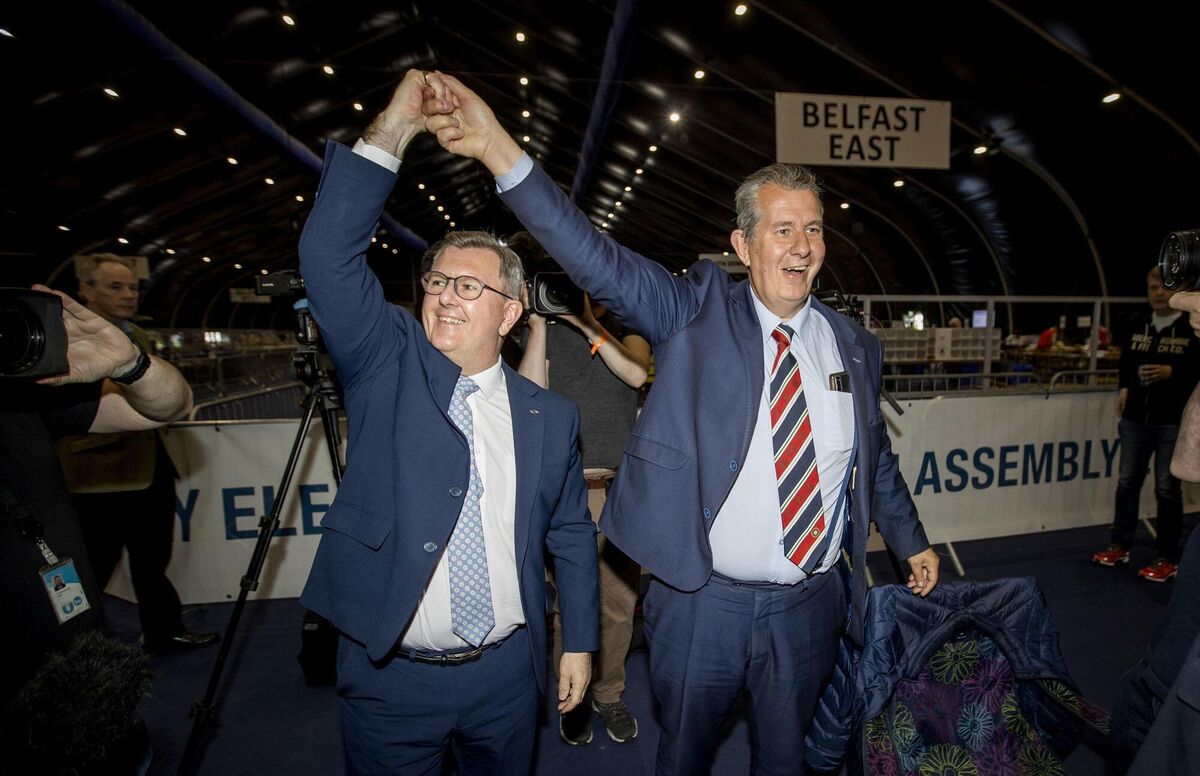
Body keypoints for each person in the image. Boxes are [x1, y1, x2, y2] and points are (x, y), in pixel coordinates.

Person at [422, 71, 940, 774]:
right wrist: (496, 150)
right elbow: (594, 257)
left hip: (810, 606)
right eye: (783, 229)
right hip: (703, 605)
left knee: (786, 761)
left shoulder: (853, 344)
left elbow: (872, 456)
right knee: (685, 756)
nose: (802, 245)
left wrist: (911, 539)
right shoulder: (694, 310)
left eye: (814, 229)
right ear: (744, 244)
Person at [296, 69, 599, 775]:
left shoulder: (549, 416)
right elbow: (327, 259)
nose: (444, 297)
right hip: (391, 678)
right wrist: (395, 127)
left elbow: (570, 535)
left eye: (468, 286)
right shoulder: (386, 364)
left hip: (507, 678)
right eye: (436, 282)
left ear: (510, 312)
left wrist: (580, 641)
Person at [2, 284, 193, 705]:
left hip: (65, 664)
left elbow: (172, 405)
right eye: (115, 286)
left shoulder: (25, 376)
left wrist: (131, 365)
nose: (129, 294)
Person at [514, 232, 651, 745]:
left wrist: (584, 321)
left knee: (618, 607)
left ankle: (609, 694)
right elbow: (529, 395)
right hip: (564, 496)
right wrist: (539, 324)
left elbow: (634, 374)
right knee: (568, 605)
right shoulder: (540, 337)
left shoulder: (629, 334)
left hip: (617, 495)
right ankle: (570, 695)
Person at [55, 254, 218, 652]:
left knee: (152, 561)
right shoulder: (66, 342)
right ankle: (79, 649)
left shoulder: (136, 335)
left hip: (149, 471)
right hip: (97, 482)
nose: (129, 295)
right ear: (86, 290)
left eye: (132, 287)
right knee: (91, 569)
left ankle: (163, 631)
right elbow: (67, 417)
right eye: (116, 287)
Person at [1093, 267, 1200, 581]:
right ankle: (1119, 543)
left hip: (1172, 423)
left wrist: (1172, 373)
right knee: (1127, 482)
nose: (1158, 293)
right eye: (1153, 287)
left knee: (1166, 488)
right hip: (1135, 420)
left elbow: (1197, 371)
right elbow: (1126, 361)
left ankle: (1167, 556)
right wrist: (1124, 388)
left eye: (1164, 287)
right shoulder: (1137, 322)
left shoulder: (1193, 325)